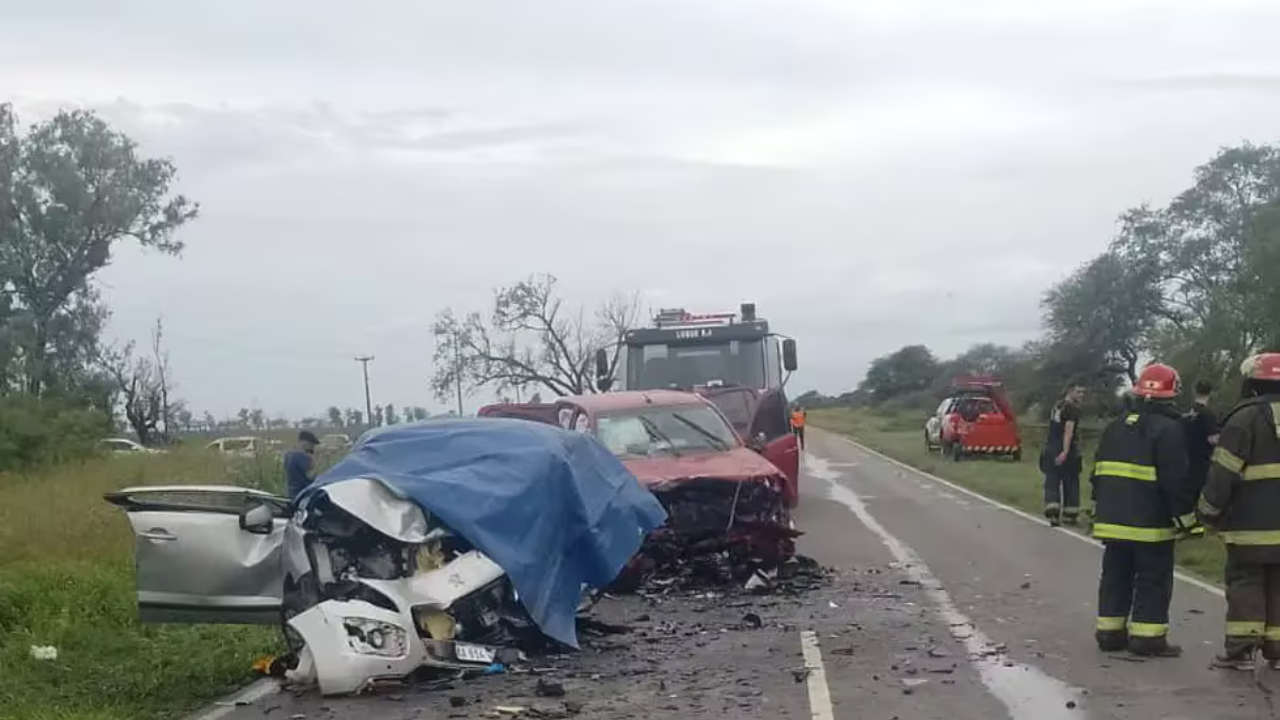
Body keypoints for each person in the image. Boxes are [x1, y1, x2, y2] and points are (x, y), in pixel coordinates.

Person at [1091, 363, 1197, 657]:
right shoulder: (1169, 430)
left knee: (1115, 576)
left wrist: (1099, 510)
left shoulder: (1115, 426)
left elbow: (1097, 474)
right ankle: (1147, 640)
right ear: (1171, 396)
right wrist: (1188, 522)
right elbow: (1175, 481)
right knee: (1153, 579)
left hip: (1112, 521)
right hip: (1151, 524)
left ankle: (1110, 634)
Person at [1196, 353, 1280, 670]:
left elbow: (1222, 474)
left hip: (1250, 525)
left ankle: (1242, 651)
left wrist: (1208, 511)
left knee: (1246, 582)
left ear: (1253, 383)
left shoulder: (1243, 419)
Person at [1041, 382, 1086, 526]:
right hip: (1067, 450)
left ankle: (1053, 512)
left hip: (1050, 448)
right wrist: (1065, 451)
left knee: (1052, 481)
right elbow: (1069, 430)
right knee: (1071, 482)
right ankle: (1070, 515)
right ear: (1070, 392)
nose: (1081, 395)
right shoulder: (1072, 409)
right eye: (1079, 392)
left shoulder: (1057, 406)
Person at [284, 430, 320, 499]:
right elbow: (310, 476)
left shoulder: (288, 454)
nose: (313, 447)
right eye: (312, 445)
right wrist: (319, 460)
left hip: (291, 492)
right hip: (303, 494)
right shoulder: (302, 456)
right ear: (305, 443)